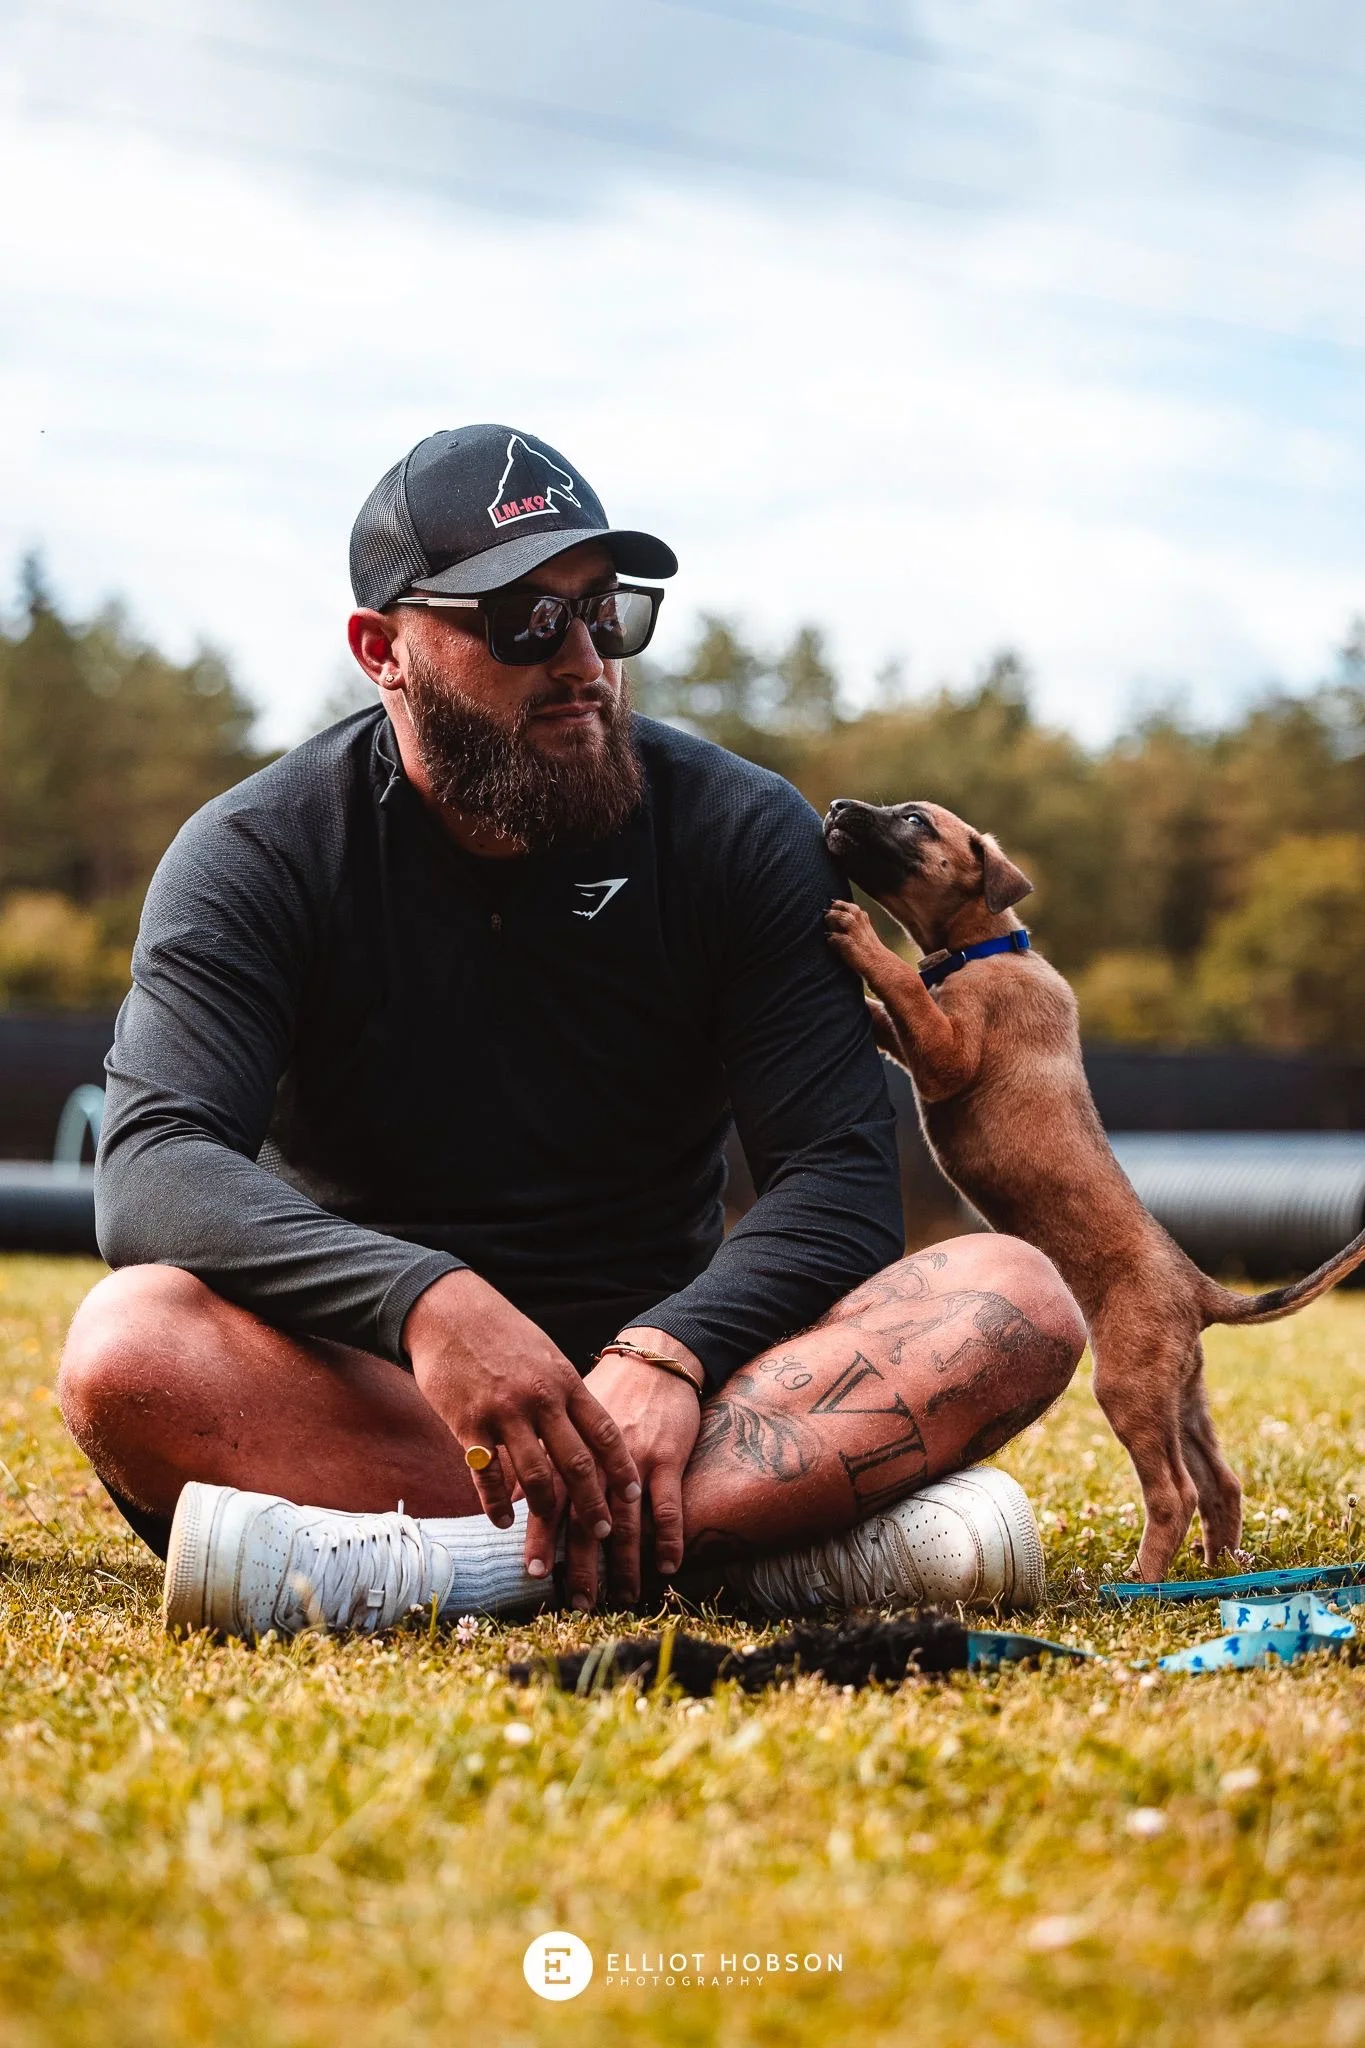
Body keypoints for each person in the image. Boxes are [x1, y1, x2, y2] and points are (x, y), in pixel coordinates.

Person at [57, 424, 1085, 1639]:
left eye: (605, 612)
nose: (585, 660)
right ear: (382, 649)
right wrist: (426, 1301)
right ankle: (747, 1555)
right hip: (386, 1390)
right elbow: (155, 1162)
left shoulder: (739, 831)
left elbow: (839, 1177)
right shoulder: (259, 850)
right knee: (128, 1346)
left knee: (1017, 1294)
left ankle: (441, 1569)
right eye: (522, 622)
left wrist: (670, 1350)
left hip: (689, 1393)